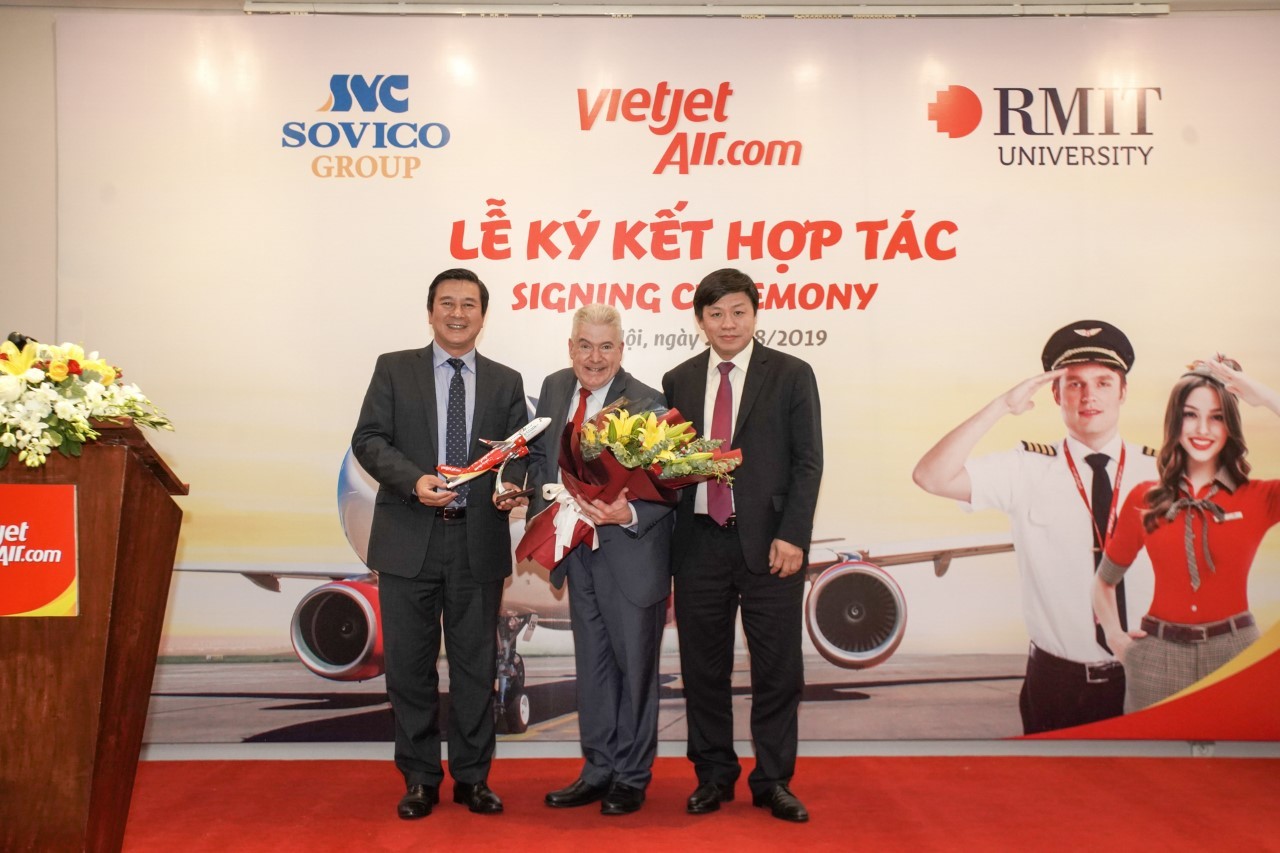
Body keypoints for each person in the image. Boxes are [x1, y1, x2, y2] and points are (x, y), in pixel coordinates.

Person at [912, 320, 1157, 734]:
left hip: (1150, 677)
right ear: (1056, 394)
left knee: (1151, 795)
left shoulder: (1163, 470)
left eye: (1103, 382)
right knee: (1053, 797)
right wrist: (1001, 407)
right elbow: (930, 477)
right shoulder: (1025, 469)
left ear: (1123, 391)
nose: (1089, 395)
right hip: (1058, 685)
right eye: (1075, 384)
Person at [351, 268, 529, 820]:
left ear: (483, 314)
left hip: (477, 544)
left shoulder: (505, 381)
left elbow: (518, 454)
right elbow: (368, 440)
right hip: (409, 542)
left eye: (469, 304)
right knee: (409, 668)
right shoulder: (394, 369)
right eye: (447, 303)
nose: (458, 313)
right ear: (430, 312)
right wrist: (412, 480)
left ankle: (474, 779)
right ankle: (421, 779)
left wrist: (509, 489)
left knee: (476, 668)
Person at [661, 268, 823, 823]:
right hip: (699, 544)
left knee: (778, 671)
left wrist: (793, 536)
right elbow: (667, 469)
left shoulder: (792, 374)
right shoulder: (677, 380)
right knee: (703, 669)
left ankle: (773, 779)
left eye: (737, 312)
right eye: (715, 314)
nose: (727, 324)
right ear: (700, 320)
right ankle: (713, 776)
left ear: (755, 314)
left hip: (771, 548)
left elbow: (807, 462)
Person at [527, 304, 674, 816]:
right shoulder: (551, 389)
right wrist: (516, 491)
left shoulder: (649, 402)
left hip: (630, 557)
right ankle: (597, 769)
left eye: (606, 346)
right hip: (577, 556)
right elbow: (538, 460)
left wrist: (627, 511)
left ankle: (631, 777)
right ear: (570, 348)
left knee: (635, 672)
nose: (595, 357)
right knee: (592, 669)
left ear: (621, 349)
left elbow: (669, 485)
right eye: (585, 345)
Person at [1093, 357, 1280, 712]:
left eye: (1217, 417)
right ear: (1175, 422)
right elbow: (1103, 582)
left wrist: (1265, 397)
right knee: (1152, 767)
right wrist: (1116, 639)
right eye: (1191, 414)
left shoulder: (1259, 497)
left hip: (1237, 653)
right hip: (1156, 658)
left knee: (1235, 766)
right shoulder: (1144, 499)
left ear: (1231, 427)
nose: (1202, 429)